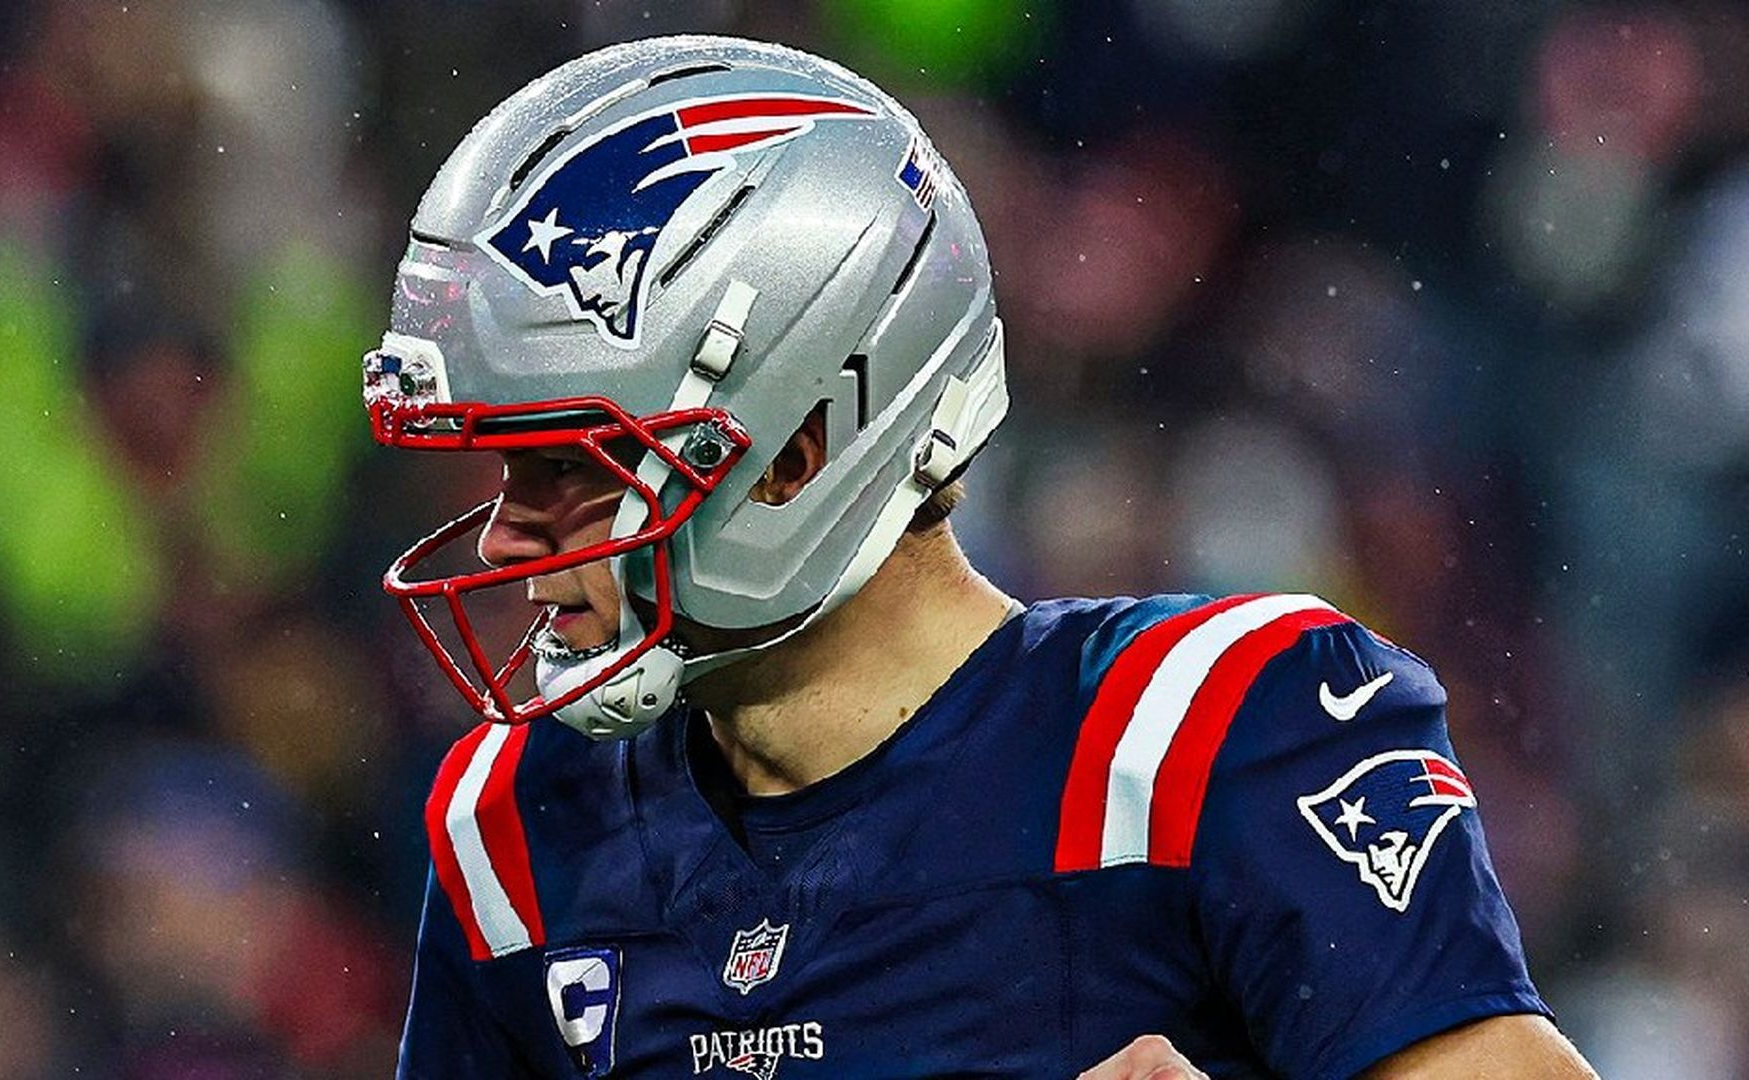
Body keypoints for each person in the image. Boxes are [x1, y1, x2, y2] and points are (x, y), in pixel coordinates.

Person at [366, 35, 1597, 1079]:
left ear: (797, 453)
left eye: (571, 469)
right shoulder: (518, 826)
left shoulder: (1210, 737)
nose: (509, 537)